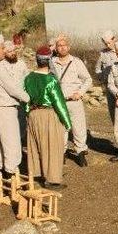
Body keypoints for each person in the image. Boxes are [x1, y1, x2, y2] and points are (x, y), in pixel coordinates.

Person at [24, 45, 72, 190]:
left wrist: (28, 113)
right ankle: (52, 179)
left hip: (33, 114)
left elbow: (26, 99)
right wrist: (67, 122)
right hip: (49, 114)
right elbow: (59, 102)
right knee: (52, 145)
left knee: (36, 144)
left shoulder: (28, 78)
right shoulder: (51, 80)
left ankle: (37, 172)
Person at [0, 34, 30, 180]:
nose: (4, 51)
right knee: (12, 144)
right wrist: (29, 98)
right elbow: (12, 88)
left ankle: (0, 171)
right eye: (1, 48)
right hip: (5, 108)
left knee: (2, 143)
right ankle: (10, 175)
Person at [50, 34, 93, 167]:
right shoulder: (51, 63)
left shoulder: (76, 62)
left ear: (68, 47)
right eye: (59, 46)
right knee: (61, 128)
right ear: (56, 48)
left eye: (64, 45)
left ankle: (80, 152)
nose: (62, 48)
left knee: (78, 127)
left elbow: (88, 79)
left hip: (74, 101)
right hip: (59, 101)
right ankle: (62, 152)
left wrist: (79, 93)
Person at [4, 39, 30, 145]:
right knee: (10, 124)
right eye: (9, 51)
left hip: (21, 99)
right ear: (4, 52)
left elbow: (27, 79)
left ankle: (22, 142)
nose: (13, 53)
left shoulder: (21, 64)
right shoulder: (1, 66)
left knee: (22, 122)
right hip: (8, 100)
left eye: (13, 50)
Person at [94, 30, 118, 123]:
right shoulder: (103, 54)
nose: (108, 45)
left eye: (109, 42)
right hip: (109, 87)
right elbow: (97, 69)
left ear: (114, 39)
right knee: (114, 115)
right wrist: (102, 77)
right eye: (105, 43)